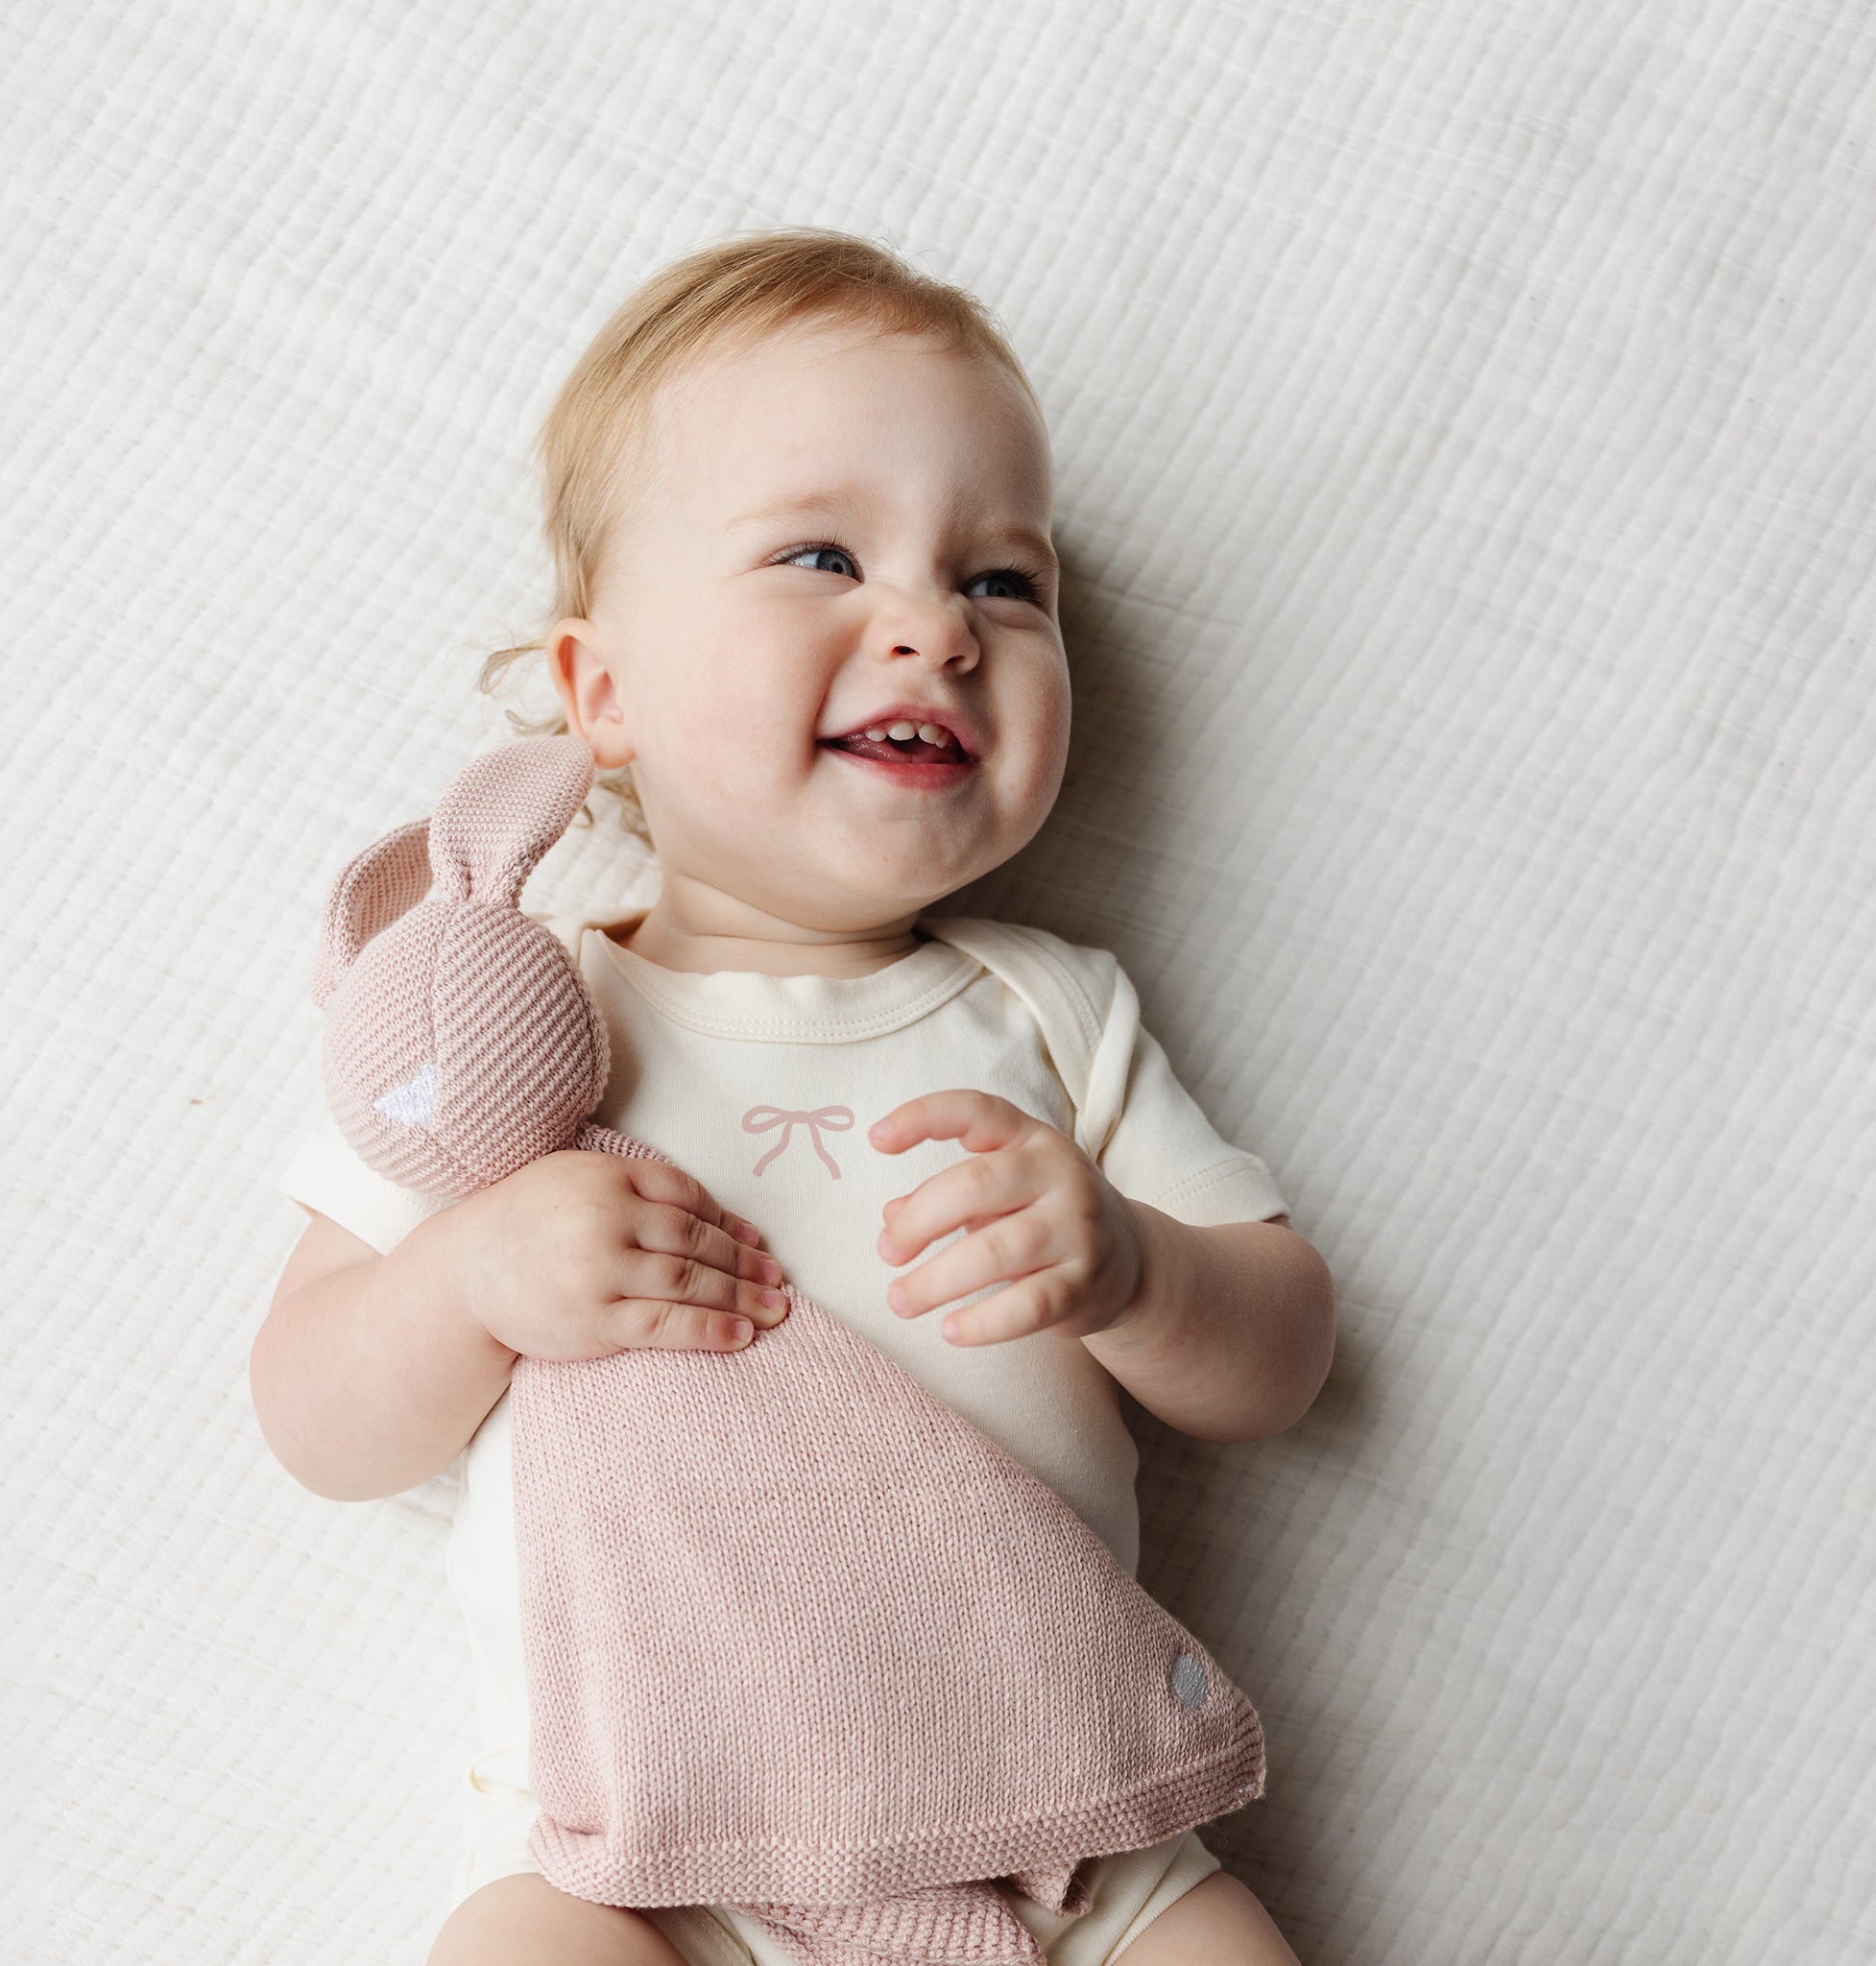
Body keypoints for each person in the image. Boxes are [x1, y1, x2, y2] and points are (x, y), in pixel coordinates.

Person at [251, 228, 1333, 1966]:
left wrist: (1136, 1270)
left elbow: (1281, 1357)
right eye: (823, 555)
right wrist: (470, 1279)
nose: (932, 627)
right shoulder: (526, 1015)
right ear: (601, 694)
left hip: (1061, 1825)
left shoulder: (1050, 1012)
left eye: (1004, 583)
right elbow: (312, 1412)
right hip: (635, 1850)